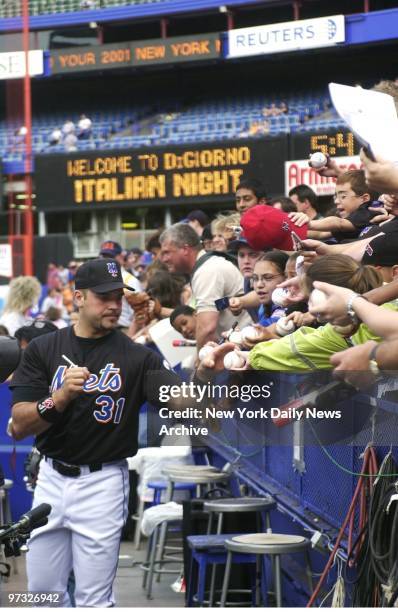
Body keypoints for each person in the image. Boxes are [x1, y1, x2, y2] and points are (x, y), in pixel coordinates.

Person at [9, 259, 181, 607]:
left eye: (118, 296)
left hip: (102, 481)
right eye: (104, 297)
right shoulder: (45, 348)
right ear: (79, 298)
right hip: (51, 477)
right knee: (42, 595)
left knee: (93, 599)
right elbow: (19, 425)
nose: (115, 305)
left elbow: (189, 407)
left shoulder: (137, 357)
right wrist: (59, 398)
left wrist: (211, 371)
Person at [160, 223, 251, 348]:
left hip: (248, 347)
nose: (163, 259)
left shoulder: (207, 270)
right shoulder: (204, 268)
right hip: (241, 345)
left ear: (185, 249)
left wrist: (201, 362)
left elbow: (206, 328)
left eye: (166, 252)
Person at [289, 171, 383, 242]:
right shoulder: (351, 220)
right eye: (336, 196)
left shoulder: (369, 211)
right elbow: (320, 234)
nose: (336, 201)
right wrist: (293, 229)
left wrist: (309, 223)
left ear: (364, 199)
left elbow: (338, 223)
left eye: (343, 196)